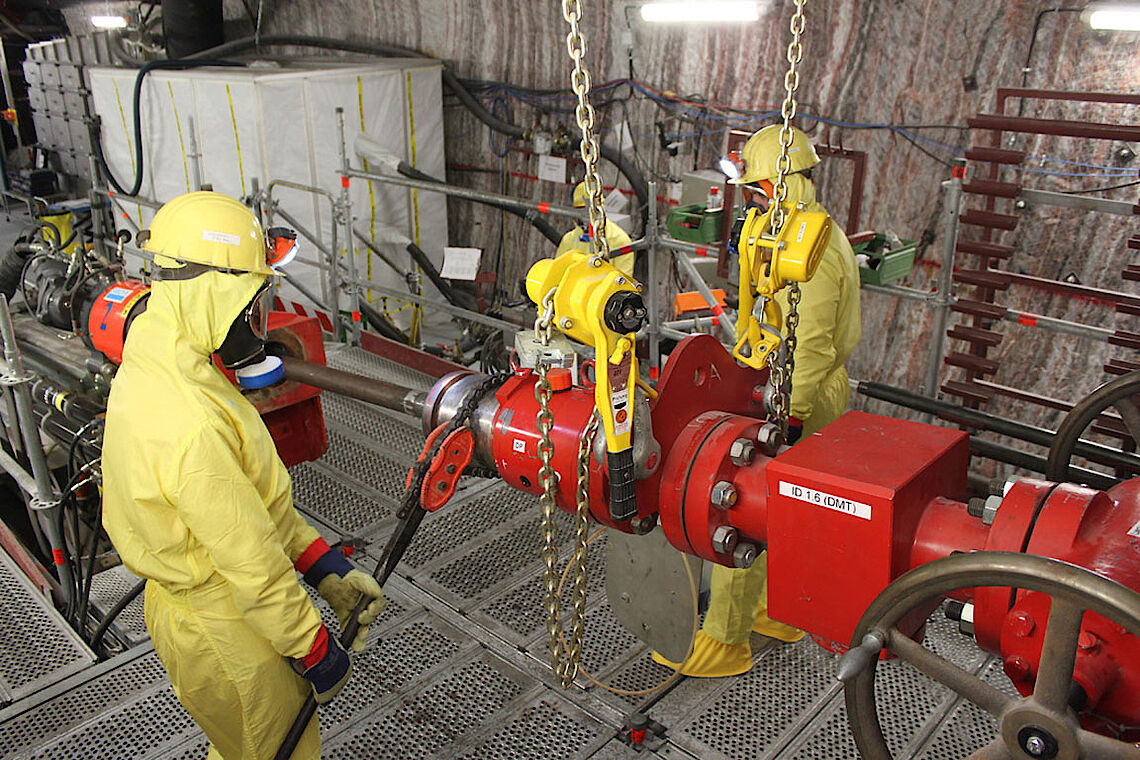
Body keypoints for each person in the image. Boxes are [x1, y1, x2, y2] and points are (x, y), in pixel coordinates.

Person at [101, 191, 385, 758]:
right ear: (216, 291)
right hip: (225, 626)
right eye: (253, 300)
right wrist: (313, 648)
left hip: (206, 609)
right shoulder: (188, 422)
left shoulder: (163, 352)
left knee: (240, 748)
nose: (256, 322)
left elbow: (244, 505)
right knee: (275, 748)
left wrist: (322, 565)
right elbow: (248, 558)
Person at [654, 125, 862, 677]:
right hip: (777, 378)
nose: (751, 199)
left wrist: (786, 415)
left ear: (777, 184)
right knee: (785, 510)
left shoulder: (810, 247)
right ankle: (776, 612)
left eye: (756, 189)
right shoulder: (789, 233)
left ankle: (725, 639)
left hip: (797, 389)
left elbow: (811, 343)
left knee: (739, 503)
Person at [555, 180, 635, 275]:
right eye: (580, 211)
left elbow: (623, 283)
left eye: (590, 212)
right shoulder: (569, 240)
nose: (586, 218)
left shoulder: (619, 240)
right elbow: (557, 274)